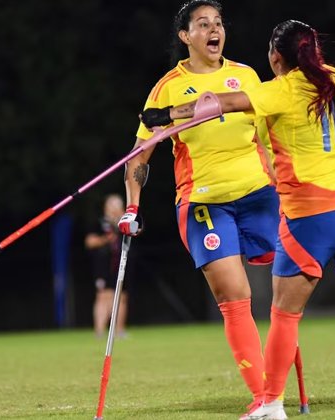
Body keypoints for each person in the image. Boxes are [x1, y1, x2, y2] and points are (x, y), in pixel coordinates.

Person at [142, 19, 335, 420]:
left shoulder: (279, 90)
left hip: (309, 215)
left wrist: (167, 114)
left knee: (283, 315)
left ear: (276, 58)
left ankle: (270, 404)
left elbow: (219, 103)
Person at [118, 0, 280, 415]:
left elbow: (269, 139)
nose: (214, 30)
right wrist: (132, 208)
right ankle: (264, 398)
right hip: (204, 203)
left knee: (289, 288)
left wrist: (287, 182)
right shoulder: (168, 87)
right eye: (203, 24)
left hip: (260, 196)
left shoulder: (246, 76)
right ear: (185, 36)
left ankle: (273, 386)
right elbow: (140, 156)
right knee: (234, 293)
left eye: (219, 23)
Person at [84, 194, 130, 338]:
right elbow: (90, 241)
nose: (115, 209)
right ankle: (99, 331)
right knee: (103, 296)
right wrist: (105, 239)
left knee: (121, 296)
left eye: (118, 205)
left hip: (121, 263)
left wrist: (123, 220)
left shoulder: (126, 222)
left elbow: (139, 230)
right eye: (112, 205)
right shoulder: (98, 223)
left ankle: (119, 330)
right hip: (103, 264)